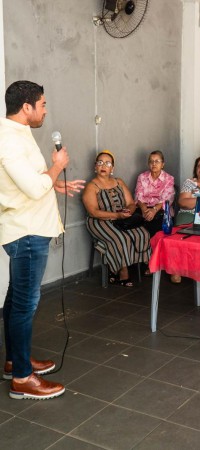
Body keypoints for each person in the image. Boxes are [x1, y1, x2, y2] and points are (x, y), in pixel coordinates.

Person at [0, 80, 85, 400]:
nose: (46, 110)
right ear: (27, 108)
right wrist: (57, 168)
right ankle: (22, 378)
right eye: (43, 105)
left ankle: (14, 360)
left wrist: (55, 184)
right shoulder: (8, 140)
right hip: (26, 232)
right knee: (25, 304)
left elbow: (29, 183)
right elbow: (34, 188)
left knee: (15, 300)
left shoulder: (18, 134)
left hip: (28, 226)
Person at [83, 150, 152, 287]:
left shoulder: (119, 182)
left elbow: (131, 203)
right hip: (99, 221)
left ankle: (142, 265)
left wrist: (128, 211)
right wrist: (117, 215)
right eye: (100, 162)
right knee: (120, 238)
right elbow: (93, 212)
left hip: (121, 218)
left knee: (142, 233)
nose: (103, 166)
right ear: (95, 166)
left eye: (107, 163)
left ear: (112, 168)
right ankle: (122, 271)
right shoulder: (91, 186)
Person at [135, 150, 175, 237]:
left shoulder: (169, 179)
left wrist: (154, 210)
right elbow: (139, 196)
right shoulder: (142, 177)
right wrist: (144, 210)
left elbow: (167, 199)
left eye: (157, 161)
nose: (154, 164)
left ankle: (154, 250)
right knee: (134, 229)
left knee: (154, 231)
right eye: (151, 161)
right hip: (143, 209)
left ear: (163, 164)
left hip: (161, 211)